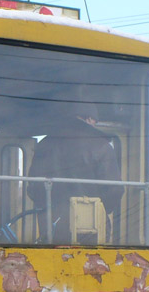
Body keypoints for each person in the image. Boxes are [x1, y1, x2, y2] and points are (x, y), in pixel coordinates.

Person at [27, 101, 122, 243]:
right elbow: (114, 191)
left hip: (51, 227)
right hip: (92, 230)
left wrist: (51, 208)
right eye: (95, 121)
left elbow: (33, 189)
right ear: (89, 119)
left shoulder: (45, 145)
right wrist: (97, 209)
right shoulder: (102, 146)